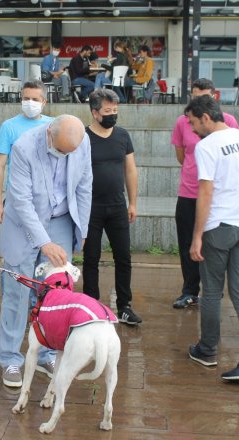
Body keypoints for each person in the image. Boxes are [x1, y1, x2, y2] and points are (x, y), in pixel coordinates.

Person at [0, 115, 93, 387]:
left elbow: (85, 185)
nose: (65, 156)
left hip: (62, 218)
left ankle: (47, 353)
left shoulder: (82, 143)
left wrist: (82, 230)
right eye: (61, 150)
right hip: (23, 222)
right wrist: (43, 242)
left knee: (56, 292)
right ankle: (11, 360)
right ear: (49, 134)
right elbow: (22, 201)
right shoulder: (24, 147)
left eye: (69, 152)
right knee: (17, 290)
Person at [186, 95, 239, 381]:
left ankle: (207, 349)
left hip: (219, 226)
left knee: (211, 292)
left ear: (206, 117)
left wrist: (197, 236)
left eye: (194, 122)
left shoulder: (207, 146)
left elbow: (205, 192)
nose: (193, 129)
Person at [171, 79, 239, 310]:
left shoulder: (228, 122)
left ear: (214, 97)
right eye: (194, 96)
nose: (198, 101)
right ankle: (189, 290)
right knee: (187, 243)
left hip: (218, 195)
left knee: (212, 244)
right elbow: (181, 155)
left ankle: (213, 291)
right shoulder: (184, 122)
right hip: (189, 191)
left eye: (204, 96)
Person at [82, 89, 141, 326]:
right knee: (91, 258)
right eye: (108, 111)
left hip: (117, 205)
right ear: (95, 113)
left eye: (115, 111)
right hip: (91, 208)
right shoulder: (83, 138)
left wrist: (133, 202)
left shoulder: (123, 135)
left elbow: (130, 169)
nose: (113, 115)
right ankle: (91, 306)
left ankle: (124, 306)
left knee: (124, 257)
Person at [0, 81, 53, 224]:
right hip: (17, 196)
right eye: (26, 99)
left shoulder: (53, 125)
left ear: (44, 102)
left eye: (35, 99)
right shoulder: (9, 126)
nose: (30, 103)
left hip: (46, 198)